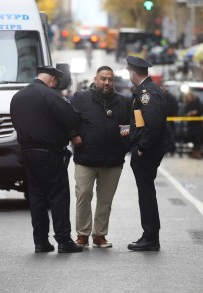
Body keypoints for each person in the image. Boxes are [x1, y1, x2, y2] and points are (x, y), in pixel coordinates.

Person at [10, 66, 83, 253]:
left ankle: (41, 242)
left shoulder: (18, 97)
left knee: (37, 198)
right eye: (56, 83)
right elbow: (72, 118)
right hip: (49, 154)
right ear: (52, 80)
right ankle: (64, 241)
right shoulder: (50, 95)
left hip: (27, 153)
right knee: (58, 196)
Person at [70, 66, 131, 248]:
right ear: (95, 79)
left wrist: (124, 146)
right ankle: (82, 234)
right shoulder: (81, 99)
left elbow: (130, 126)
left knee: (105, 201)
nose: (106, 82)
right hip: (85, 159)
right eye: (103, 78)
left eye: (110, 79)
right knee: (83, 196)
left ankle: (99, 235)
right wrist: (74, 136)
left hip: (112, 161)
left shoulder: (123, 101)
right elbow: (68, 120)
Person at [121, 56, 169, 251]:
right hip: (146, 149)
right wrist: (131, 128)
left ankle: (150, 236)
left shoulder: (146, 92)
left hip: (146, 152)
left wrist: (141, 147)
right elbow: (142, 122)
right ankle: (149, 234)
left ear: (132, 72)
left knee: (146, 194)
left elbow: (153, 124)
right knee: (146, 193)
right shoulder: (146, 89)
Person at [183, 91, 203, 159]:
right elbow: (185, 112)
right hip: (190, 124)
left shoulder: (196, 101)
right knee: (193, 139)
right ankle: (194, 153)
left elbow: (200, 109)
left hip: (197, 123)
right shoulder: (187, 103)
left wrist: (194, 112)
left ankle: (198, 153)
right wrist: (188, 114)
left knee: (197, 139)